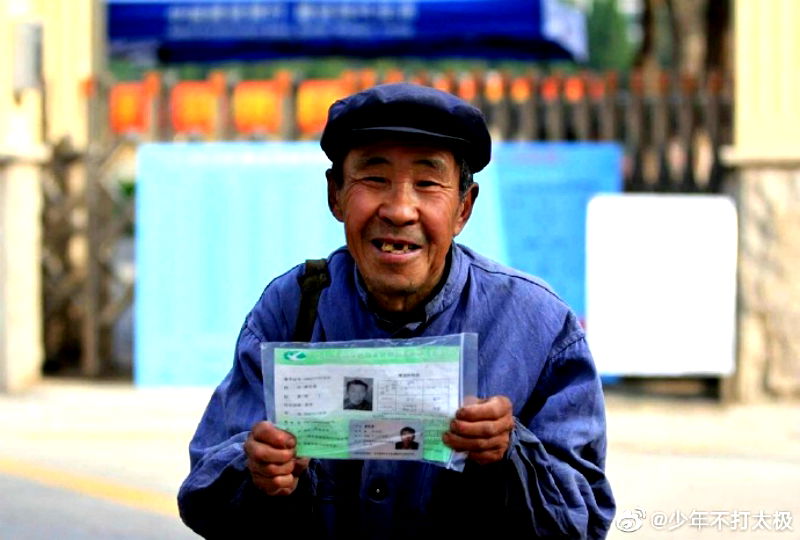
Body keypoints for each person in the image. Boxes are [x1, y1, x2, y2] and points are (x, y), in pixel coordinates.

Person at [178, 83, 615, 538]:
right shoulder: (291, 308)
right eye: (374, 178)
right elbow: (204, 499)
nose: (401, 209)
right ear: (337, 195)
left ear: (463, 207)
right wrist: (256, 472)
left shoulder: (538, 326)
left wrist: (510, 453)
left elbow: (584, 520)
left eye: (428, 183)